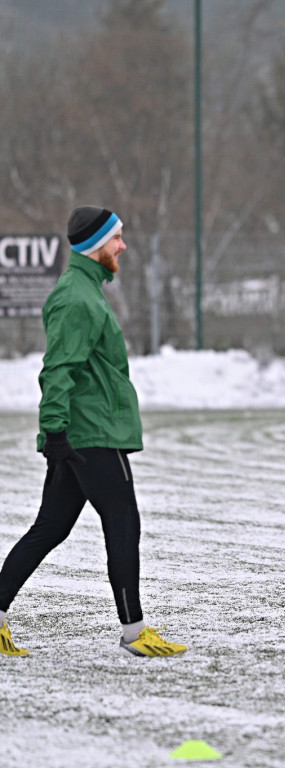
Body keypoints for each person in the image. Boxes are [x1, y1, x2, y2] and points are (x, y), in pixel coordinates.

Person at [0, 206, 187, 658]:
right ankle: (134, 632)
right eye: (117, 237)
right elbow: (58, 370)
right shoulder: (76, 297)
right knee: (123, 522)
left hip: (84, 432)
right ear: (95, 244)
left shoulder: (88, 289)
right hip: (90, 435)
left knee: (50, 527)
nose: (123, 245)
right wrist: (57, 433)